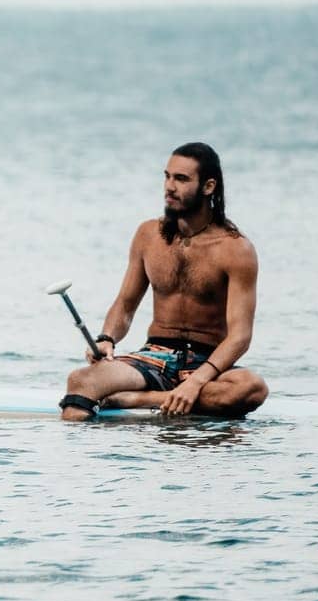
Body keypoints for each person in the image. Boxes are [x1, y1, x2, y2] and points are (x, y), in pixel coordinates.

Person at [59, 142, 269, 421]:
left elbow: (240, 337)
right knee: (81, 381)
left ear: (208, 187)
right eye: (167, 176)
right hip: (153, 358)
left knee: (251, 389)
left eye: (181, 179)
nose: (169, 186)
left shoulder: (236, 250)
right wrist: (107, 338)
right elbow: (126, 304)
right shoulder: (148, 235)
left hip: (206, 363)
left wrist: (196, 382)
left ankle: (137, 399)